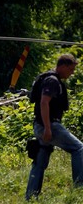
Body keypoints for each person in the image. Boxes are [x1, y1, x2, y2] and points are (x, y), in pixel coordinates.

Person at [25, 54, 83, 200]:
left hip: (40, 126)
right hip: (48, 125)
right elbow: (44, 103)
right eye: (70, 69)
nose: (72, 73)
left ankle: (31, 197)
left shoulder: (49, 79)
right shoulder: (52, 81)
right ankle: (79, 188)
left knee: (40, 160)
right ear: (62, 66)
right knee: (79, 148)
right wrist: (48, 128)